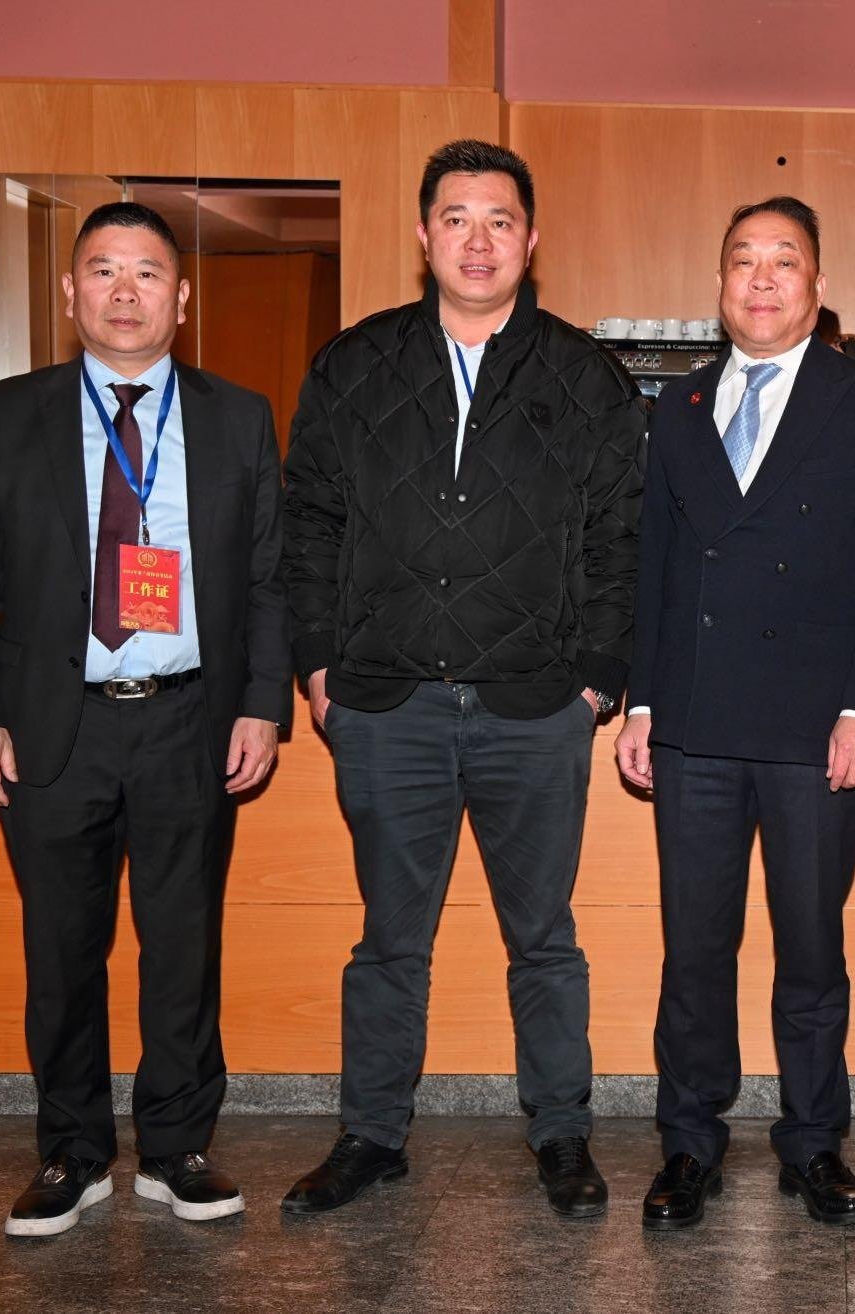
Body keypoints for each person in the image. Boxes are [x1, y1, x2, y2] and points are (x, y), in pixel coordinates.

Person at [279, 140, 645, 1218]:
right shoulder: (355, 365)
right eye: (456, 218)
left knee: (545, 939)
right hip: (385, 704)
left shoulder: (584, 375)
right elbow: (309, 525)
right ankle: (370, 1134)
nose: (477, 241)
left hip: (535, 707)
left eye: (499, 220)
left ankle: (562, 1134)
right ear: (423, 235)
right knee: (389, 941)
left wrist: (596, 682)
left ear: (531, 240)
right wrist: (318, 668)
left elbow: (620, 543)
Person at [0, 201, 290, 1236]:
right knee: (62, 950)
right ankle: (72, 1153)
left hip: (189, 719)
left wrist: (262, 705)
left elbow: (268, 579)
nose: (125, 292)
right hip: (54, 727)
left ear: (183, 299)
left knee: (183, 945)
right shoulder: (10, 413)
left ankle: (177, 1148)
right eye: (103, 271)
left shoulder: (237, 416)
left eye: (147, 274)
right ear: (70, 292)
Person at [614, 195, 855, 1231]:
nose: (761, 278)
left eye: (783, 260)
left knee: (810, 948)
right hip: (695, 722)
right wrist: (644, 701)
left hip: (813, 726)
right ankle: (688, 1140)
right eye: (742, 259)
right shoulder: (682, 404)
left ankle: (814, 1141)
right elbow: (656, 564)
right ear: (720, 285)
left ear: (817, 287)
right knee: (694, 948)